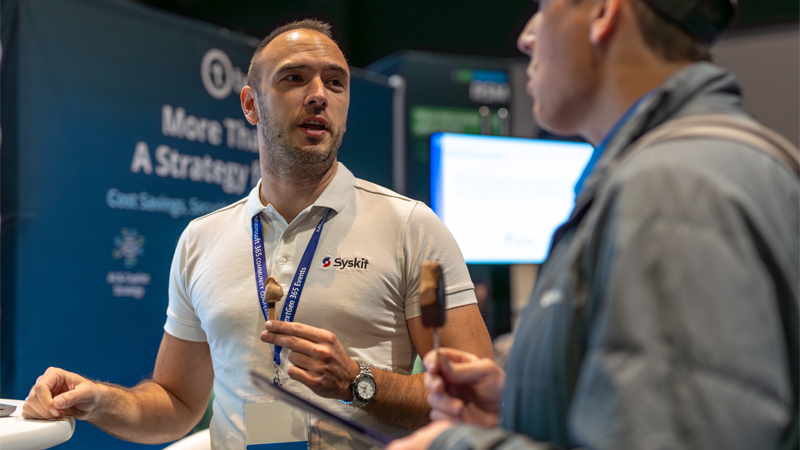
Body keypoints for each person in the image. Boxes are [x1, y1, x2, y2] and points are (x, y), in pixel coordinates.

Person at [22, 19, 493, 449]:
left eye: (335, 82)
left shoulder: (411, 227)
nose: (319, 95)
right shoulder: (200, 240)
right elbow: (177, 402)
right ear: (251, 105)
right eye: (294, 78)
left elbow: (471, 402)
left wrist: (356, 382)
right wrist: (98, 399)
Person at [390, 0, 799, 449]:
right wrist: (524, 408)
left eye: (544, 8)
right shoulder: (695, 166)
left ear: (604, 12)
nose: (526, 37)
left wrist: (454, 445)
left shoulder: (671, 189)